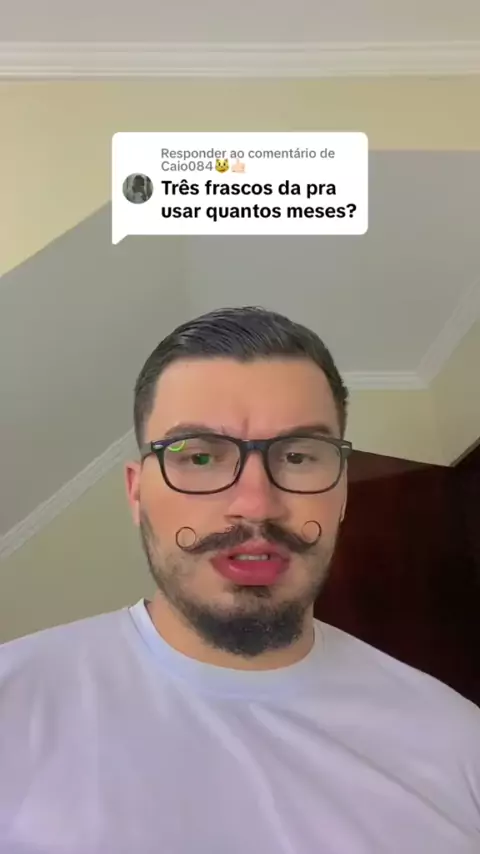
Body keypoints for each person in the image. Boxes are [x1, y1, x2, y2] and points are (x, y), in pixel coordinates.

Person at [0, 306, 479, 853]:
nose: (256, 505)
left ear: (342, 493)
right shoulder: (12, 704)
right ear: (136, 493)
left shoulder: (458, 744)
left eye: (298, 456)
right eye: (200, 457)